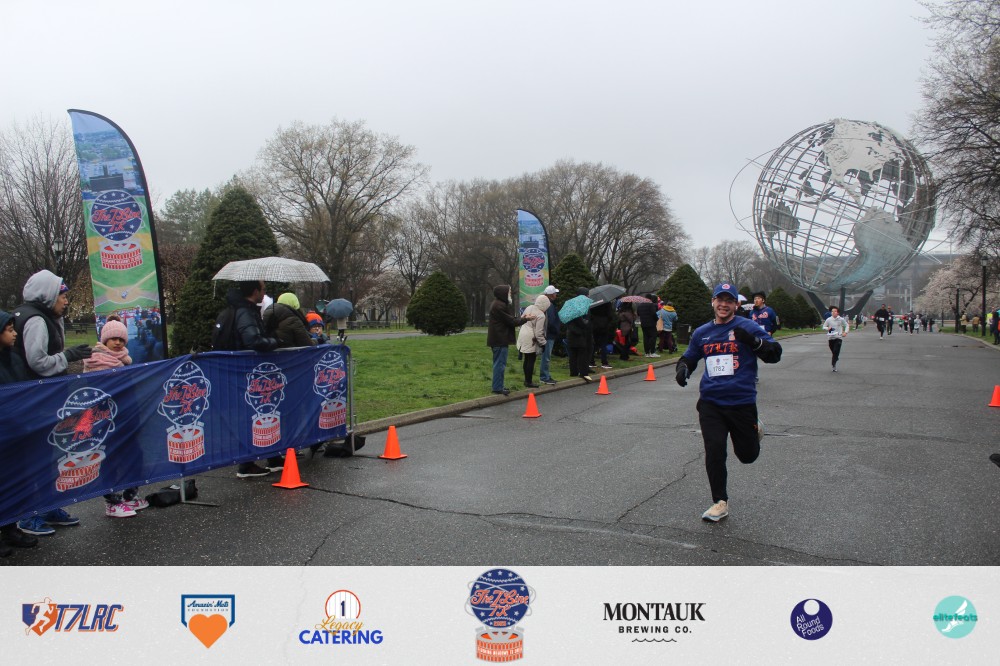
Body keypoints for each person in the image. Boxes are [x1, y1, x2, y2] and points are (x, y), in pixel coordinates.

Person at [675, 283, 782, 522]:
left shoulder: (747, 326)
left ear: (736, 305)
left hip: (741, 402)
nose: (723, 305)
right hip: (711, 402)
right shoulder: (702, 332)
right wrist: (683, 368)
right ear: (713, 302)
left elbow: (775, 353)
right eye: (719, 300)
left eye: (729, 301)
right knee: (714, 449)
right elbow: (690, 356)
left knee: (747, 455)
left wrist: (754, 342)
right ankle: (720, 502)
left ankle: (755, 428)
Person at [12, 270, 89, 536]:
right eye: (62, 295)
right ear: (48, 296)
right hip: (34, 401)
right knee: (35, 459)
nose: (66, 301)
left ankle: (47, 506)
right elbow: (38, 362)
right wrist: (68, 356)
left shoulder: (37, 315)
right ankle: (28, 515)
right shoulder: (36, 320)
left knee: (47, 456)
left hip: (37, 399)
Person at [80, 316, 149, 518]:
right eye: (113, 339)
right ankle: (112, 501)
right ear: (105, 340)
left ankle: (130, 494)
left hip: (127, 415)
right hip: (107, 419)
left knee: (134, 454)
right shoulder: (97, 361)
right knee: (110, 457)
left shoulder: (124, 360)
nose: (118, 343)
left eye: (121, 339)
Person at [223, 280, 281, 477]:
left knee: (264, 412)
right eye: (263, 289)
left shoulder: (244, 310)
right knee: (250, 416)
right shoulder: (244, 312)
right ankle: (246, 464)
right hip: (247, 372)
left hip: (248, 371)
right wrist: (274, 341)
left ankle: (271, 456)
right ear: (255, 291)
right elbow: (253, 340)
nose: (264, 293)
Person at [0, 309, 40, 556]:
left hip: (17, 431)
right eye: (9, 330)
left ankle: (10, 528)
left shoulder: (14, 358)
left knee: (17, 480)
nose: (15, 334)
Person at [486, 285, 535, 396]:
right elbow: (511, 321)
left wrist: (523, 318)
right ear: (503, 293)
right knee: (500, 364)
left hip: (498, 339)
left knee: (500, 364)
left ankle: (499, 385)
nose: (510, 294)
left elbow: (510, 319)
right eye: (509, 292)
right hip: (499, 339)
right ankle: (497, 388)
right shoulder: (499, 306)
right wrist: (526, 319)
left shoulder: (498, 304)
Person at [516, 294, 550, 388]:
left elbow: (522, 318)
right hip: (531, 337)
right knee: (531, 359)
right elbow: (539, 332)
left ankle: (526, 380)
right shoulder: (541, 315)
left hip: (523, 333)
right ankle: (529, 382)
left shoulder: (529, 307)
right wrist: (543, 343)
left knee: (526, 359)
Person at [565, 287, 594, 382]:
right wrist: (587, 322)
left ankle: (573, 372)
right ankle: (583, 373)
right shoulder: (581, 305)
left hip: (571, 333)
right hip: (580, 334)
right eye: (587, 294)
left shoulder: (570, 304)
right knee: (582, 354)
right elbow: (582, 321)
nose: (588, 296)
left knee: (573, 354)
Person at [538, 285, 560, 385]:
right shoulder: (550, 306)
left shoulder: (545, 304)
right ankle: (544, 377)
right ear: (551, 295)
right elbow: (551, 322)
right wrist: (556, 330)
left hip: (546, 333)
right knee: (546, 357)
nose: (556, 295)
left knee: (546, 356)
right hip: (549, 335)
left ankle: (546, 375)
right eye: (555, 293)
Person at [823, 306, 848, 372]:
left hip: (838, 337)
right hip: (830, 338)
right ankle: (836, 358)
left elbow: (847, 325)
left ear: (838, 313)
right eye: (832, 311)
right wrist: (827, 328)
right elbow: (823, 327)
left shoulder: (841, 319)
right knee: (834, 352)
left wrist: (845, 332)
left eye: (835, 311)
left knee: (836, 350)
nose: (833, 312)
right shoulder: (828, 319)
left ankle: (833, 364)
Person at [590, 302, 614, 369]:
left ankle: (591, 361)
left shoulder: (593, 302)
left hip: (594, 325)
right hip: (604, 325)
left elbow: (590, 314)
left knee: (594, 344)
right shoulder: (607, 302)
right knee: (603, 345)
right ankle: (604, 362)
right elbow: (610, 315)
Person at [636, 294, 659, 358]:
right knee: (652, 337)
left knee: (645, 338)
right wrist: (657, 319)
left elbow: (638, 313)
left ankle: (647, 352)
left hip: (643, 323)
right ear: (650, 298)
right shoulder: (651, 304)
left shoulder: (640, 305)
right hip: (651, 324)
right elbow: (653, 313)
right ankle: (652, 352)